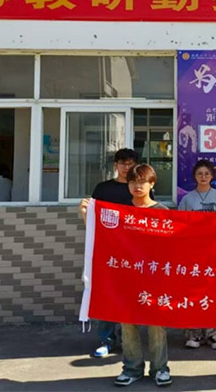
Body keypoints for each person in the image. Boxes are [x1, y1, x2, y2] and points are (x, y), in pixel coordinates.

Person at [79, 148, 142, 358]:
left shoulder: (140, 189)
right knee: (108, 294)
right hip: (108, 251)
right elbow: (93, 223)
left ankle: (128, 340)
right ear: (116, 165)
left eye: (130, 163)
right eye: (122, 163)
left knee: (131, 297)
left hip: (134, 252)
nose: (126, 167)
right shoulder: (103, 189)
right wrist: (85, 213)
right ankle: (107, 340)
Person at [114, 164, 172, 387]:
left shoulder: (162, 212)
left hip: (155, 277)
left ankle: (160, 368)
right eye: (132, 182)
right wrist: (85, 215)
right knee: (128, 323)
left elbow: (174, 246)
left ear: (152, 184)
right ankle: (132, 368)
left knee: (156, 324)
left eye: (142, 182)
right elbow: (103, 238)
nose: (137, 186)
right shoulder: (120, 212)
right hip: (127, 276)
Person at [178, 159, 216, 349]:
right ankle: (194, 333)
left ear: (212, 176)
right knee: (193, 293)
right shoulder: (187, 199)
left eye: (206, 174)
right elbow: (180, 225)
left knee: (214, 293)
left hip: (215, 252)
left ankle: (214, 333)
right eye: (199, 174)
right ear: (195, 176)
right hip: (193, 252)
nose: (203, 177)